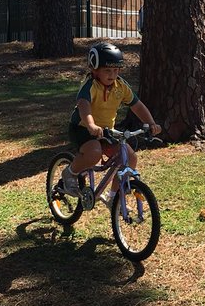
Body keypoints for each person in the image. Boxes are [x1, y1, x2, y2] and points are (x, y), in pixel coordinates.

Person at [61, 41, 162, 195]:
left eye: (116, 70)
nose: (113, 75)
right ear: (95, 70)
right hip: (82, 129)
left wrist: (151, 123)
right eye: (107, 70)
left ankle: (114, 196)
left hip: (107, 131)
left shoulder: (120, 86)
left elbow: (137, 106)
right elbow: (84, 105)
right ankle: (70, 173)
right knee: (94, 153)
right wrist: (91, 124)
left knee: (129, 157)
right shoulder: (90, 85)